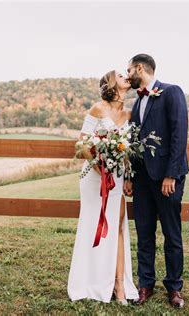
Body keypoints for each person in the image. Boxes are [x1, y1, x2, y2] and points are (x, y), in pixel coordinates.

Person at [67, 70, 139, 305]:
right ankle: (88, 281)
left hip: (116, 179)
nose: (126, 76)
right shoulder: (98, 108)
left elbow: (127, 153)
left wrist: (126, 176)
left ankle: (118, 286)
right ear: (111, 82)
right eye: (121, 74)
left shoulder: (130, 113)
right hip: (95, 178)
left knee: (117, 227)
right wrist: (99, 166)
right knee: (92, 225)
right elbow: (82, 142)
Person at [124, 53, 189, 308]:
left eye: (129, 70)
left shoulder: (172, 92)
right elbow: (133, 145)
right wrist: (130, 176)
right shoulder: (136, 102)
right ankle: (145, 285)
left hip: (166, 179)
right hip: (142, 181)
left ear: (140, 68)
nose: (127, 75)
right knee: (144, 234)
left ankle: (174, 288)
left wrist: (170, 174)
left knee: (172, 234)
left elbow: (179, 135)